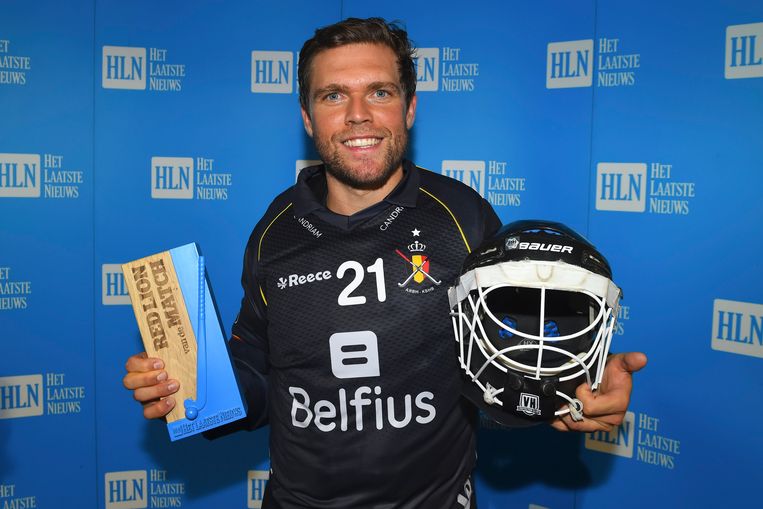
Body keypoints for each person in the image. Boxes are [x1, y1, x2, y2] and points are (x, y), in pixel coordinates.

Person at [123, 17, 647, 508]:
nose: (358, 114)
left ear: (409, 108)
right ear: (307, 117)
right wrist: (189, 390)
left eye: (380, 92)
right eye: (333, 95)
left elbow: (519, 361)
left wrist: (577, 394)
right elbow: (259, 378)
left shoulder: (463, 218)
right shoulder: (273, 231)